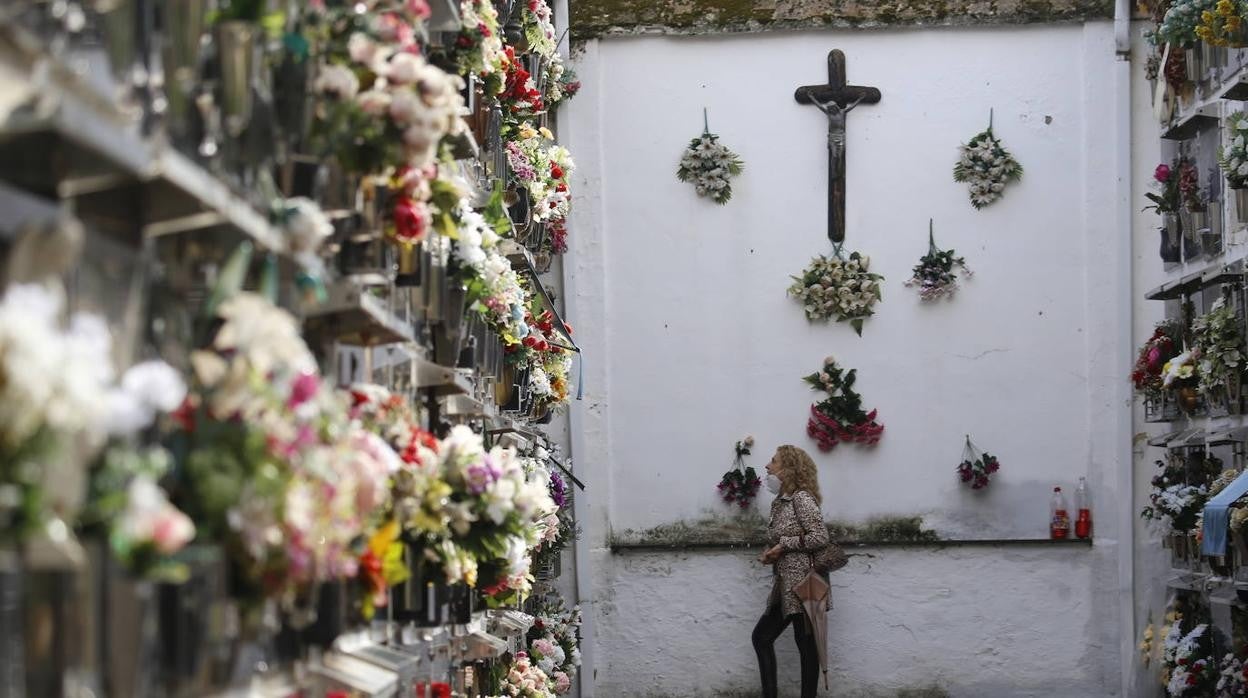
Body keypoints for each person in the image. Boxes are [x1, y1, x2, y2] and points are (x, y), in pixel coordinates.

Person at [753, 445, 829, 698]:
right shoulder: (780, 502)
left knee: (806, 647)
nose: (767, 466)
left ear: (788, 469)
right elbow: (784, 536)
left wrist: (784, 545)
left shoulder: (801, 498)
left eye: (773, 461)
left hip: (805, 585)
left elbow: (820, 537)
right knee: (762, 638)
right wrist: (771, 552)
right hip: (786, 585)